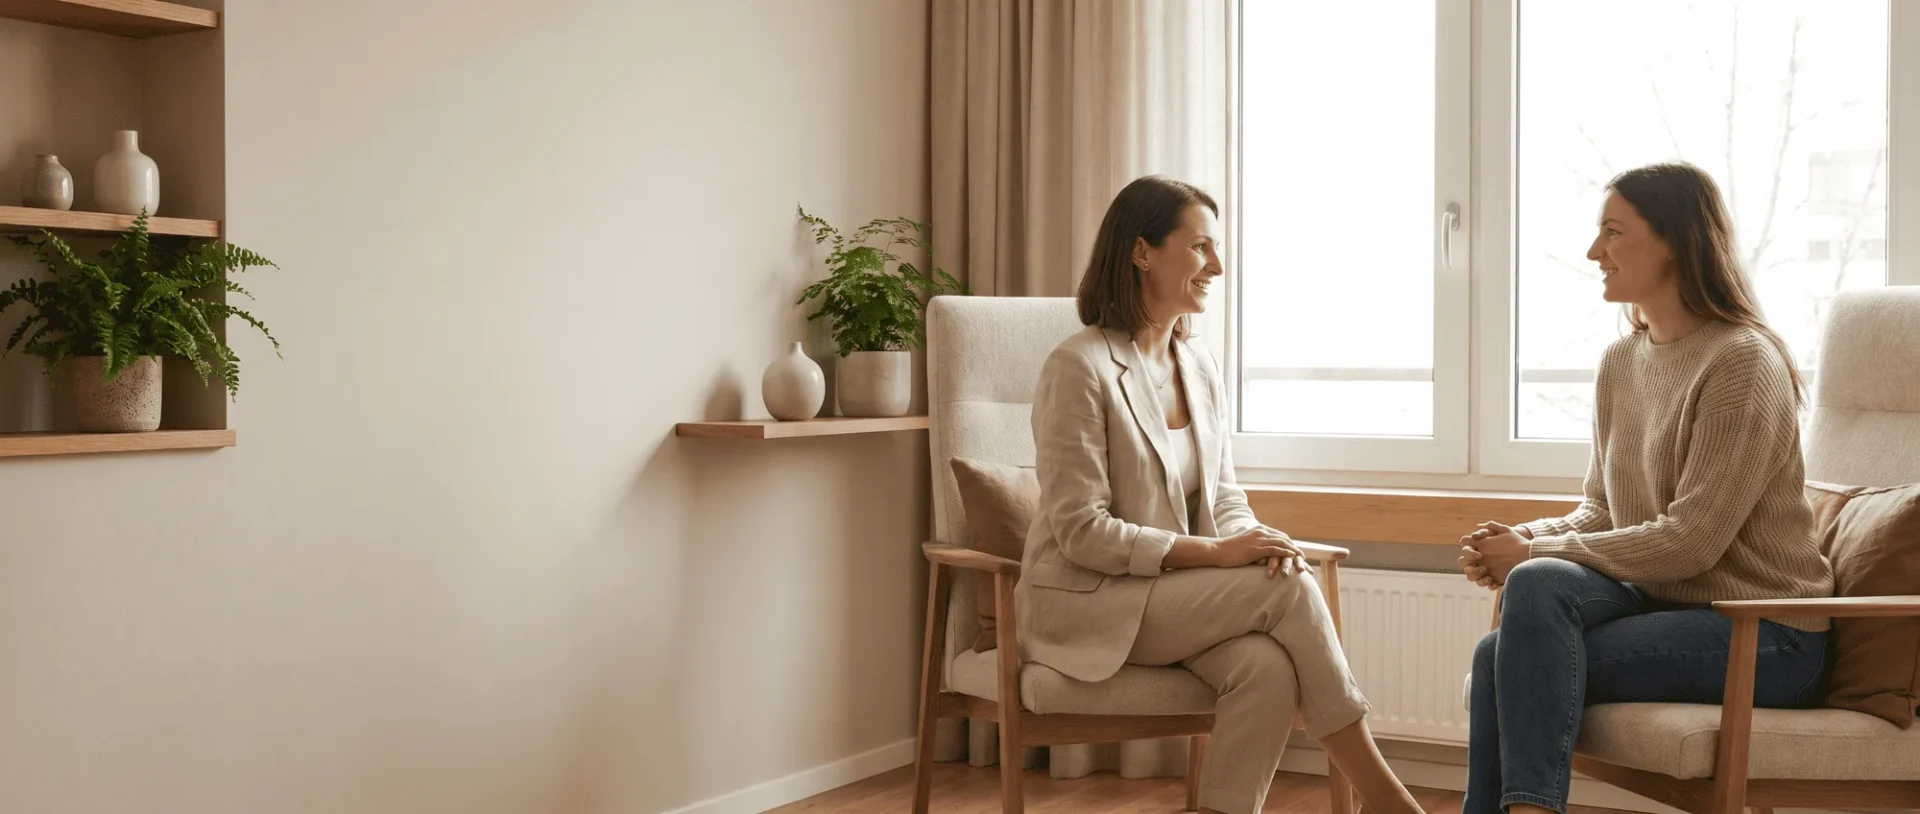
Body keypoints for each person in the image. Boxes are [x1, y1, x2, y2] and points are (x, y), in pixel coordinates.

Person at [1019, 175, 1424, 814]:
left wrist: (1259, 543)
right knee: (1289, 588)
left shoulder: (1197, 365)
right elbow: (1081, 531)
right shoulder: (1080, 367)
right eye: (1201, 247)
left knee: (1265, 667)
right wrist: (1218, 557)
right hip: (1090, 605)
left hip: (1171, 599)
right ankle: (1386, 798)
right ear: (1142, 252)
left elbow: (1225, 495)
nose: (1218, 265)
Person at [1458, 162, 1834, 814]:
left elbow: (1693, 542)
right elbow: (1601, 510)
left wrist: (1532, 551)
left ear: (1675, 241)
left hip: (1767, 633)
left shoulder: (1741, 362)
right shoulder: (1620, 363)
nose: (1592, 252)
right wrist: (1527, 540)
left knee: (1504, 653)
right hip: (1671, 607)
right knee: (1532, 593)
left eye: (1612, 232)